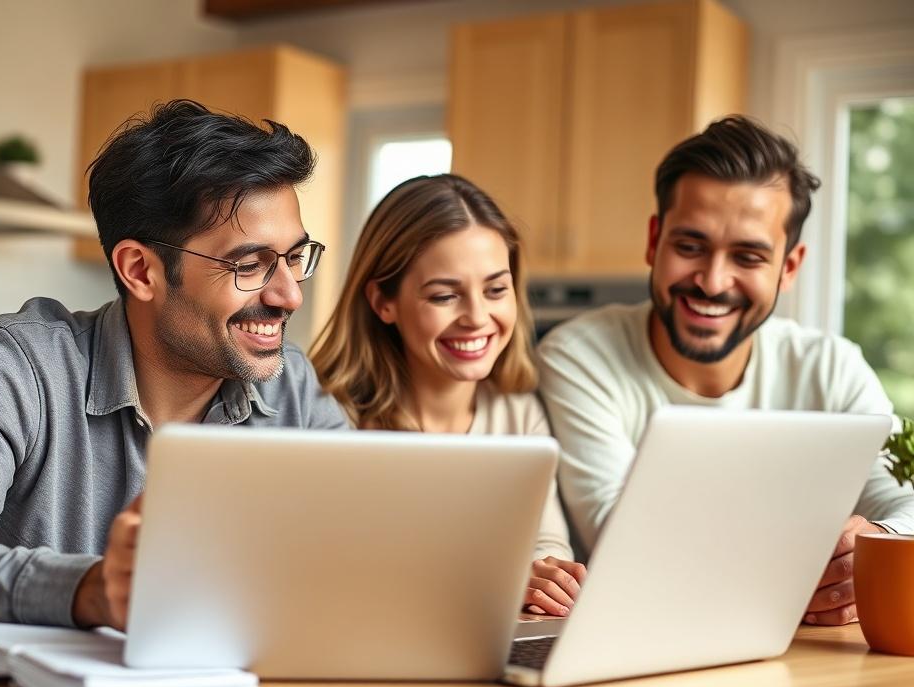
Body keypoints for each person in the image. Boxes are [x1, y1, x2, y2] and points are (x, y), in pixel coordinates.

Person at [0, 100, 346, 632]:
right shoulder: (13, 366)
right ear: (140, 270)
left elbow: (372, 542)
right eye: (250, 265)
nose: (290, 295)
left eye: (295, 257)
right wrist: (88, 590)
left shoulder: (292, 387)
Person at [537, 115, 914, 627]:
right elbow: (619, 537)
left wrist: (869, 549)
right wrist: (796, 565)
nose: (713, 282)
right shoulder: (580, 358)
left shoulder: (831, 367)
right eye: (690, 247)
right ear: (654, 241)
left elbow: (906, 500)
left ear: (790, 267)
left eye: (748, 256)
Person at [310, 174, 584, 617]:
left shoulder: (519, 413)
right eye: (444, 296)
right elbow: (336, 572)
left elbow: (546, 541)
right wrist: (497, 579)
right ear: (383, 301)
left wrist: (545, 575)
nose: (477, 317)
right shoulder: (330, 417)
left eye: (496, 289)